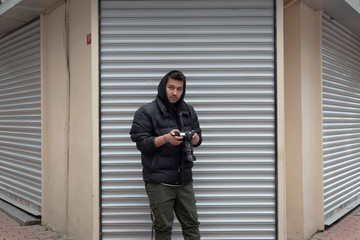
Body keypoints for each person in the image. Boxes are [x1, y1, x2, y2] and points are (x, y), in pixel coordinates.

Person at [130, 70, 202, 240]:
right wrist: (166, 138)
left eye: (179, 89)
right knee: (163, 228)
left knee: (192, 225)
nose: (175, 92)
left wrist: (196, 139)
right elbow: (142, 143)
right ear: (163, 87)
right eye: (171, 87)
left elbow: (198, 138)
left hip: (184, 180)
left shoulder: (189, 110)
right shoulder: (146, 112)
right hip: (159, 182)